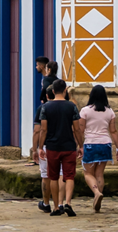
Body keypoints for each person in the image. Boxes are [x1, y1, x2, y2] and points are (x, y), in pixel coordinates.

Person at [38, 81, 83, 217]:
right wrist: (80, 145)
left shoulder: (46, 107)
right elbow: (76, 129)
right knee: (69, 176)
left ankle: (56, 206)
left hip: (52, 146)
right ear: (65, 91)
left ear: (52, 92)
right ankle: (68, 203)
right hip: (68, 145)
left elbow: (43, 129)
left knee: (53, 177)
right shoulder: (72, 107)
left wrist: (40, 147)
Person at [78, 85, 117, 213]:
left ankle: (96, 192)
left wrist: (79, 145)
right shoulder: (110, 112)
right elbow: (113, 131)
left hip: (90, 144)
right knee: (99, 173)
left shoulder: (85, 111)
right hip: (105, 144)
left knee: (88, 173)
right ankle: (98, 196)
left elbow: (80, 130)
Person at [31, 78, 67, 213]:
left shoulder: (42, 108)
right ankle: (61, 203)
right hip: (64, 145)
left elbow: (37, 130)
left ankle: (47, 203)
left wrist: (35, 148)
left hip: (47, 146)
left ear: (47, 95)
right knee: (62, 175)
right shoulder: (68, 106)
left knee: (46, 176)